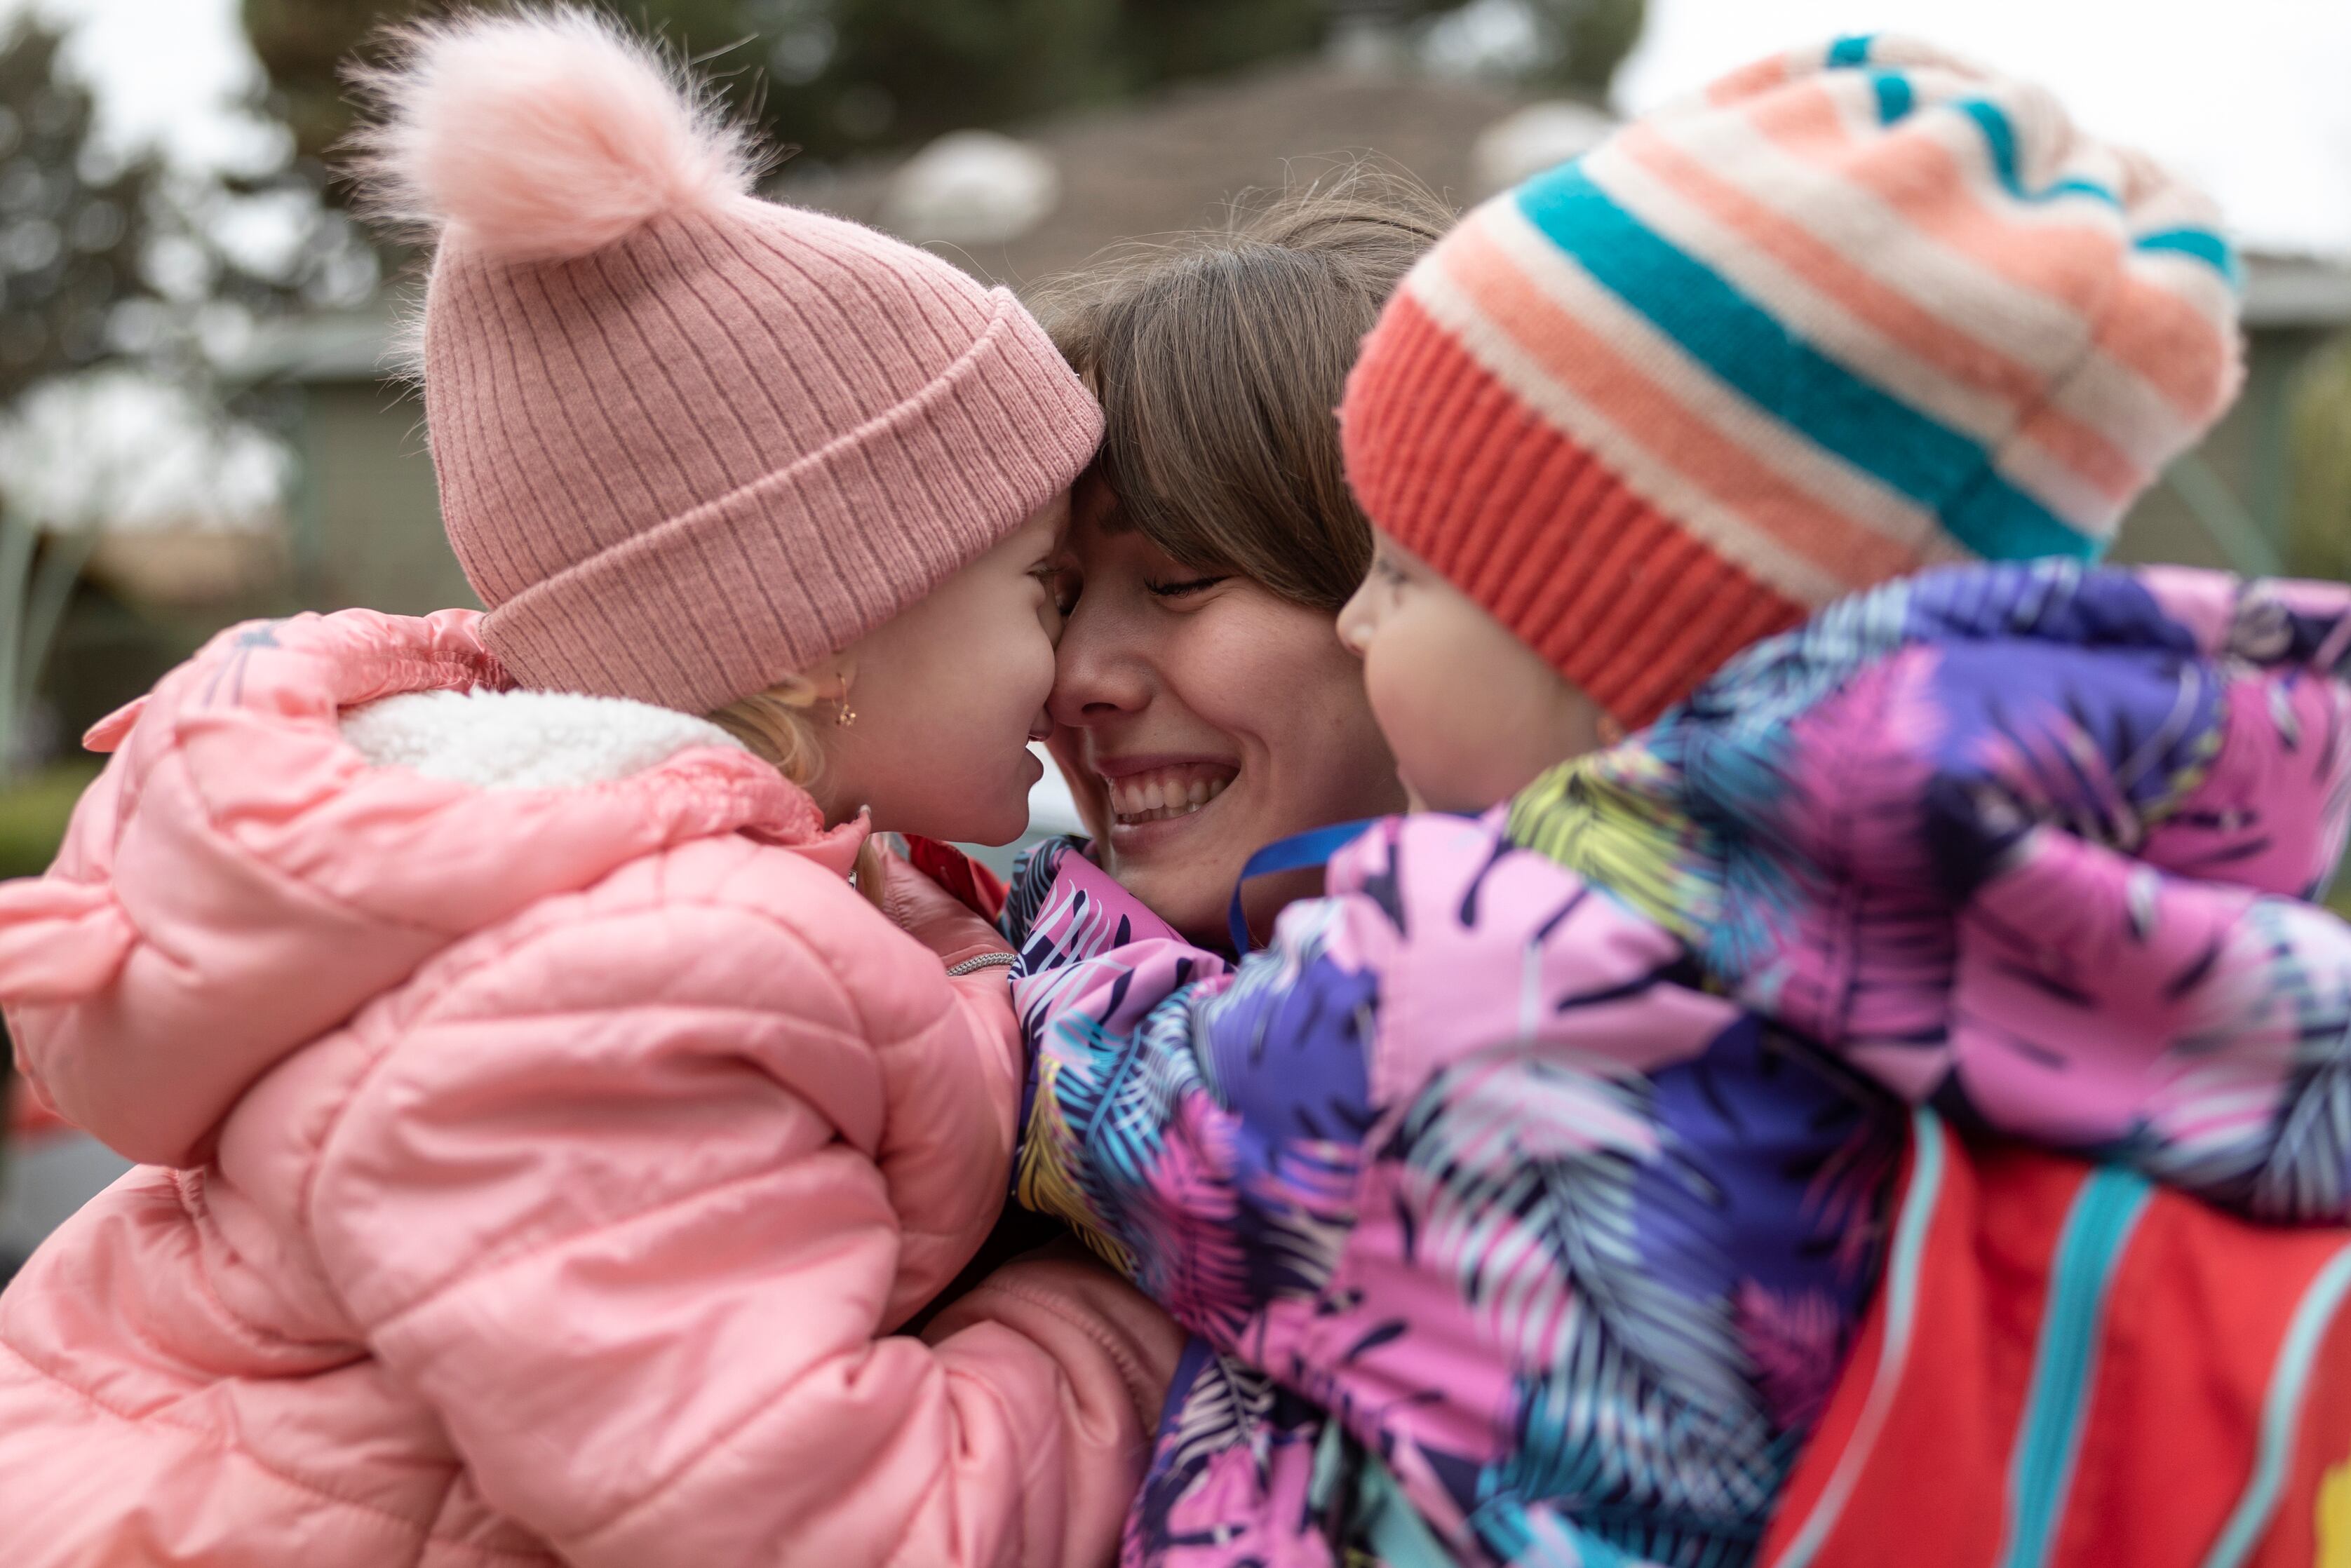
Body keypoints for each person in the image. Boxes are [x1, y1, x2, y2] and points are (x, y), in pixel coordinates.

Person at [1005, 36, 2351, 1568]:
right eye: (1047, 599)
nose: (1073, 680)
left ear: (1603, 631)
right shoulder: (2110, 947)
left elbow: (1144, 1120)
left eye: (1401, 567)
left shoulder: (1488, 976)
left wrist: (1007, 955)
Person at [0, 12, 1181, 1567]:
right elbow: (842, 1526)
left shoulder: (670, 904)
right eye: (1042, 582)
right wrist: (1146, 1302)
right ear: (830, 623)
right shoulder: (618, 989)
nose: (1078, 655)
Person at [1030, 169, 1449, 947]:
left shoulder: (1685, 1028)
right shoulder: (964, 1005)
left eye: (1179, 579)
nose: (1068, 682)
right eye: (1054, 601)